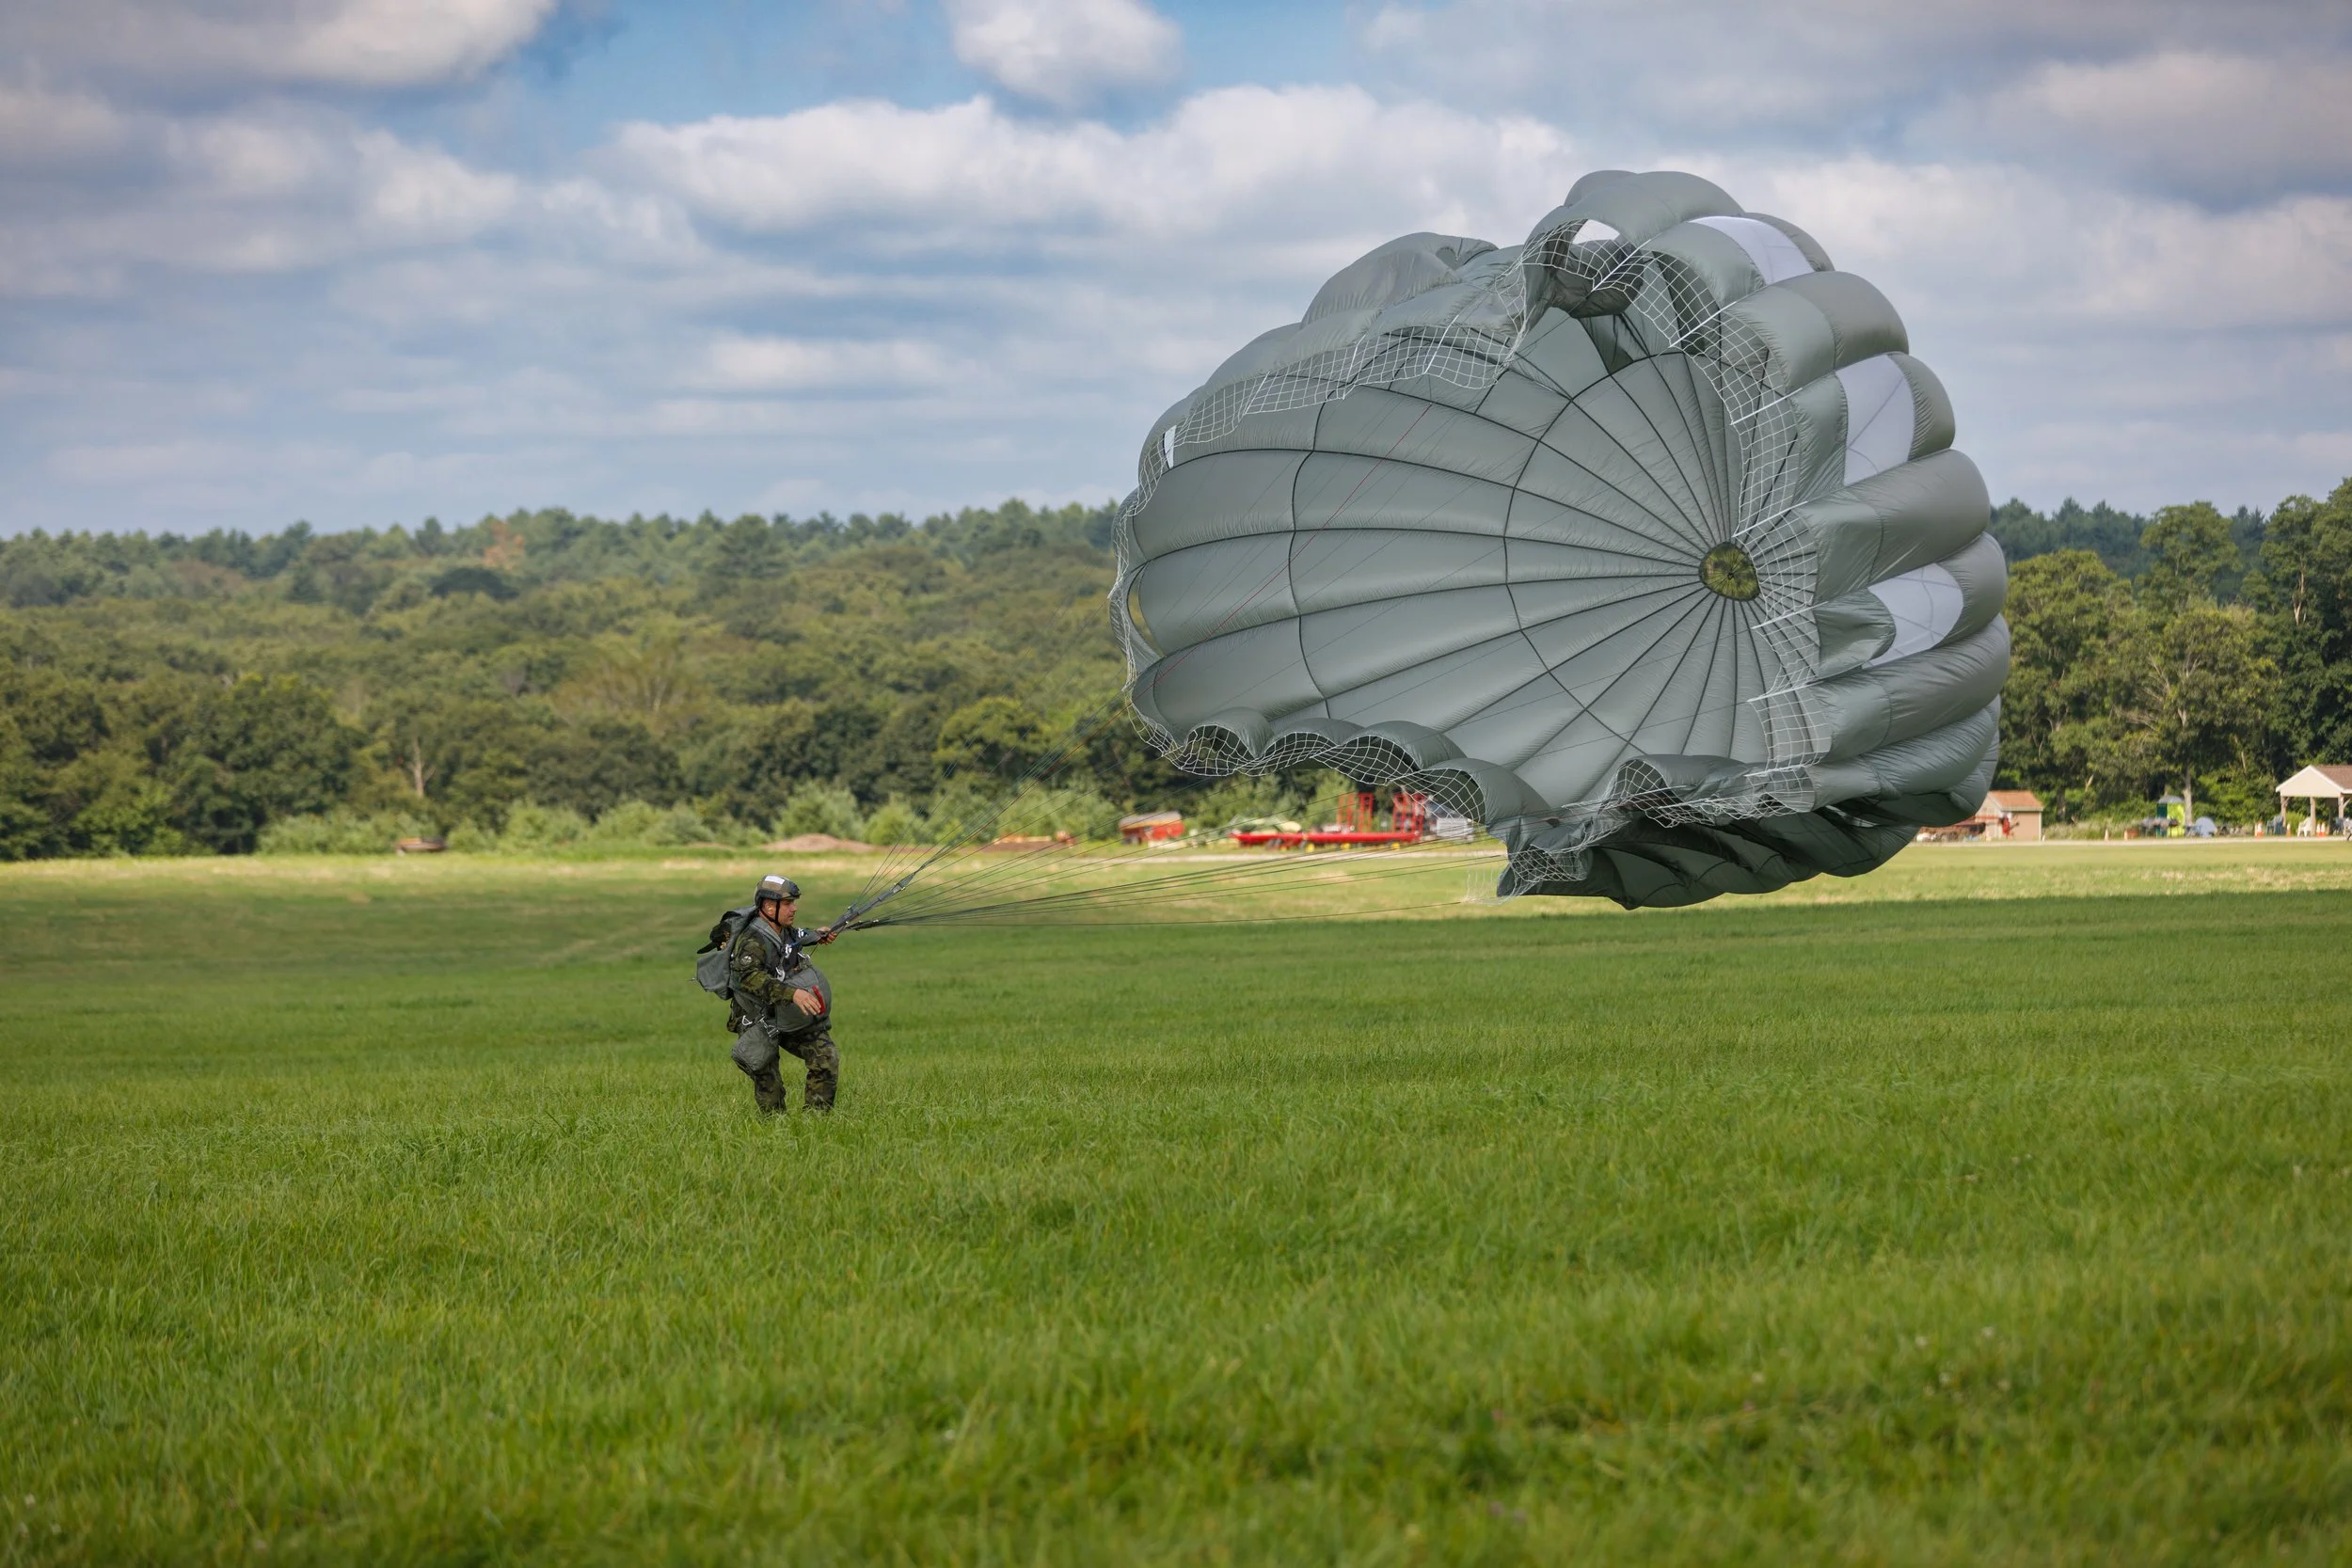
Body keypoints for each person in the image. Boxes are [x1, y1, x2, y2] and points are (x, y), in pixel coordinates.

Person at [726, 873, 839, 1115]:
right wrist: (793, 994)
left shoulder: (784, 930)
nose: (794, 908)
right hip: (757, 1020)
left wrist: (818, 934)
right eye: (788, 904)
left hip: (786, 1014)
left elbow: (798, 938)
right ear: (769, 906)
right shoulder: (752, 940)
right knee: (771, 1088)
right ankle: (775, 1134)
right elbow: (749, 978)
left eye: (793, 903)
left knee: (825, 1058)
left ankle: (816, 1124)